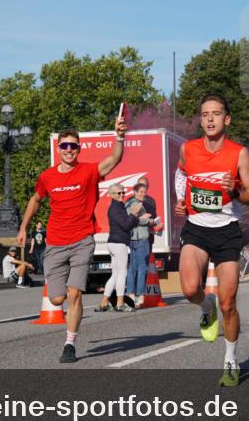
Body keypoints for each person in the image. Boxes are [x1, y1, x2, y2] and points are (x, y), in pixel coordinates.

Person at [17, 118, 128, 364]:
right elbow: (36, 200)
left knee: (74, 293)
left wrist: (119, 137)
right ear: (58, 149)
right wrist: (24, 226)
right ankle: (66, 316)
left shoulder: (88, 171)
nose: (69, 150)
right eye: (65, 146)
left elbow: (114, 159)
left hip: (82, 240)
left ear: (79, 149)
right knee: (57, 299)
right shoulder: (47, 177)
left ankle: (70, 342)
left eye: (73, 146)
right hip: (55, 243)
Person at [174, 94, 249, 386]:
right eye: (205, 114)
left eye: (216, 114)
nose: (210, 119)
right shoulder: (188, 149)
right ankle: (204, 306)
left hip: (226, 231)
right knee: (188, 288)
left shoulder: (239, 153)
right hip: (196, 228)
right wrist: (180, 201)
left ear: (227, 119)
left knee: (229, 303)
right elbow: (181, 174)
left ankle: (231, 360)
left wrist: (234, 190)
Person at [98, 182, 146, 313]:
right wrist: (134, 214)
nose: (122, 195)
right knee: (122, 273)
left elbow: (125, 223)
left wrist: (136, 217)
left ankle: (103, 303)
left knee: (115, 274)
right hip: (118, 243)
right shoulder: (116, 208)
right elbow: (125, 225)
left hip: (114, 243)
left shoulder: (118, 207)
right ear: (112, 195)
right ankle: (119, 303)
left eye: (123, 192)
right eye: (119, 193)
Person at [125, 182, 156, 306]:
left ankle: (131, 294)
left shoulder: (129, 203)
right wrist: (150, 220)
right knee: (142, 267)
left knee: (133, 267)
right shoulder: (134, 204)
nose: (143, 194)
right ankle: (139, 295)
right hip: (140, 239)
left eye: (145, 191)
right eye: (141, 192)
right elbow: (134, 220)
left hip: (133, 239)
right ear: (135, 192)